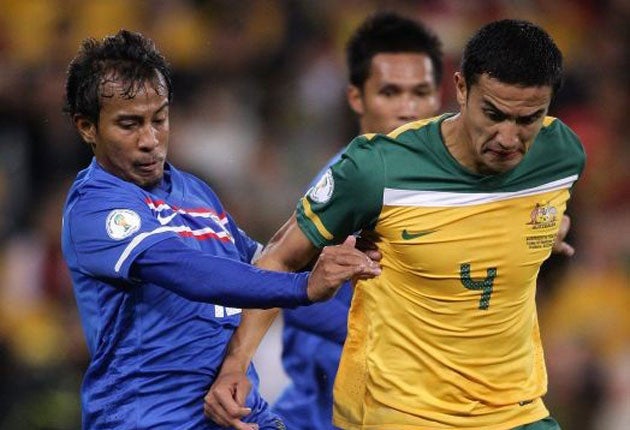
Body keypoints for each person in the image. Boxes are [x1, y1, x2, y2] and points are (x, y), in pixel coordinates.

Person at [205, 19, 585, 429]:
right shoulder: (377, 169)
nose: (509, 138)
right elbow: (279, 258)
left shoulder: (560, 157)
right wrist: (234, 365)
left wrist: (548, 231)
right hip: (403, 413)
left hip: (518, 411)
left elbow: (526, 215)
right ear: (459, 88)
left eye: (528, 119)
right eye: (493, 114)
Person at [60, 29, 381, 429]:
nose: (150, 139)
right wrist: (304, 286)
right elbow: (186, 271)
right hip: (151, 418)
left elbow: (266, 274)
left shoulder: (195, 193)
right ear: (87, 127)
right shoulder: (95, 204)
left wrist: (372, 320)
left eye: (159, 119)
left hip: (234, 411)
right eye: (129, 124)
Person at [272, 12, 444, 430]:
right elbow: (293, 296)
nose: (408, 108)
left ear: (438, 97)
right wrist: (402, 341)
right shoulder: (344, 185)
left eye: (419, 92)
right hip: (326, 413)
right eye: (390, 92)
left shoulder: (435, 185)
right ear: (356, 98)